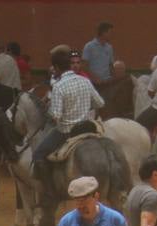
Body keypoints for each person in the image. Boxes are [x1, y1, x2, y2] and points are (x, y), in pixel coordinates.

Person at [33, 47, 104, 188]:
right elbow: (100, 103)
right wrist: (83, 108)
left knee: (38, 154)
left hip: (66, 131)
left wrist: (48, 111)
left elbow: (56, 116)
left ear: (57, 67)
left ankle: (48, 189)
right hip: (87, 128)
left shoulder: (59, 86)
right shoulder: (85, 81)